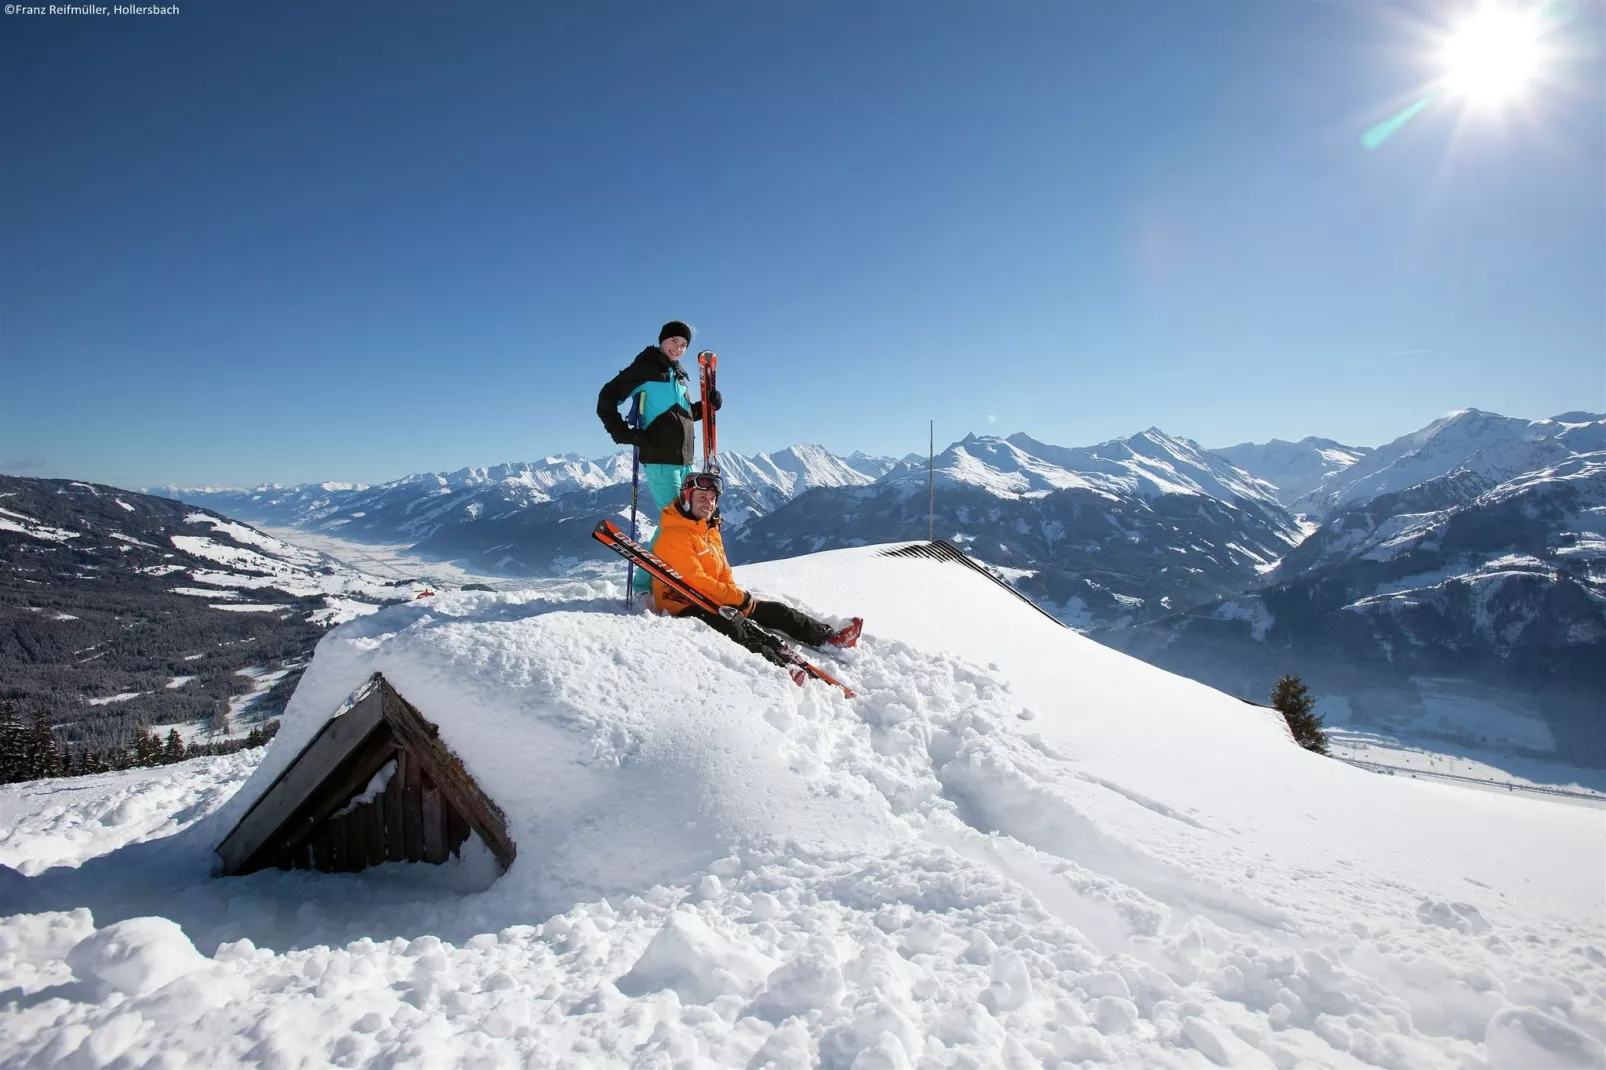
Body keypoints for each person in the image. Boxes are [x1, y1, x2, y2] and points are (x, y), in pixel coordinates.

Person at [652, 471, 863, 681]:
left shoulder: (708, 529)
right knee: (737, 630)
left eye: (713, 499)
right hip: (686, 603)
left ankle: (829, 638)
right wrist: (738, 600)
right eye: (702, 498)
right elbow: (697, 583)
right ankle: (782, 668)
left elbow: (723, 571)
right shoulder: (674, 537)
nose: (709, 504)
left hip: (715, 597)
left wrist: (735, 599)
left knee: (778, 611)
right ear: (686, 498)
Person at [597, 321, 721, 594]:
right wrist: (624, 434)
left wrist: (707, 406)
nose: (678, 348)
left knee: (676, 521)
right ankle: (644, 585)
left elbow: (681, 414)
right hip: (660, 461)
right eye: (674, 341)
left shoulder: (678, 375)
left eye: (683, 345)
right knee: (675, 522)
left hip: (684, 459)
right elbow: (606, 398)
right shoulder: (645, 369)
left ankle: (658, 579)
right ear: (662, 340)